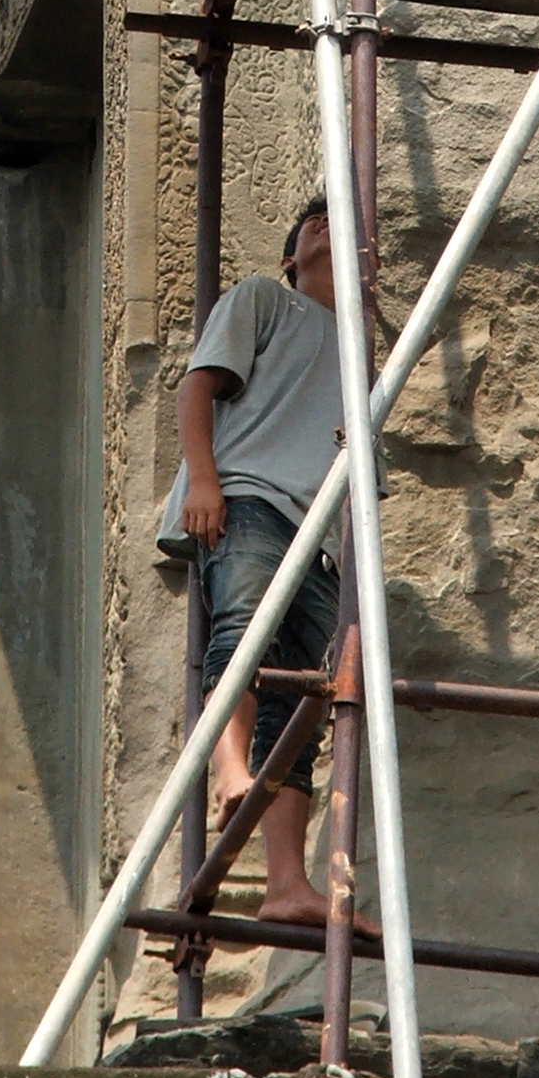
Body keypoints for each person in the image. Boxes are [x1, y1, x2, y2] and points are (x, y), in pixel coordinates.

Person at [155, 196, 360, 928]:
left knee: (303, 699)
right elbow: (198, 386)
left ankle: (287, 883)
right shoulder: (265, 300)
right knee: (242, 628)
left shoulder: (367, 350)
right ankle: (230, 771)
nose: (326, 224)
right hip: (248, 496)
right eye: (313, 222)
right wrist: (203, 481)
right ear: (289, 257)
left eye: (339, 219)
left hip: (319, 536)